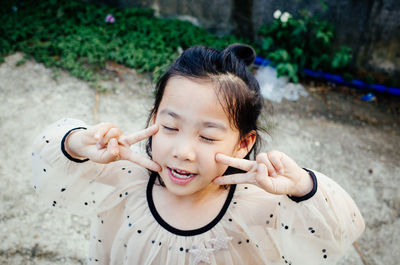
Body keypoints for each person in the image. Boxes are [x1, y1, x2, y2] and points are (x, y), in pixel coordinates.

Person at [32, 44, 365, 265]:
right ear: (153, 120)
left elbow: (338, 231)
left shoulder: (259, 204)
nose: (183, 152)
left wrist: (301, 186)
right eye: (170, 127)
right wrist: (78, 143)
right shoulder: (127, 177)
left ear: (244, 144)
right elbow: (49, 161)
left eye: (207, 136)